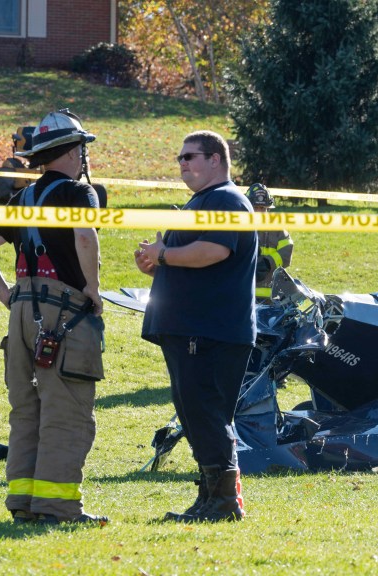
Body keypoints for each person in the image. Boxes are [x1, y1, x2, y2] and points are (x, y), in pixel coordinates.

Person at [0, 109, 107, 526]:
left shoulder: (22, 198)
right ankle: (58, 507)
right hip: (63, 314)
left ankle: (24, 502)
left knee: (27, 410)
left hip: (22, 314)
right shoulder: (80, 193)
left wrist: (9, 297)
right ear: (74, 151)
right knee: (67, 411)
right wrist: (94, 290)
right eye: (82, 148)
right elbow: (85, 237)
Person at [134, 131, 257, 523]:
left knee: (204, 413)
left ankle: (223, 503)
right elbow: (188, 255)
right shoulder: (201, 201)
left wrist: (165, 254)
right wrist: (156, 259)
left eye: (190, 156)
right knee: (196, 414)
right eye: (180, 158)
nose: (183, 163)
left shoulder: (226, 199)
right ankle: (210, 498)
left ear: (216, 159)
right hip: (194, 328)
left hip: (209, 330)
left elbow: (214, 251)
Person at [247, 183, 294, 301]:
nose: (259, 212)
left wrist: (268, 263)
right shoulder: (239, 228)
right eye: (255, 207)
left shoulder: (277, 229)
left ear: (268, 208)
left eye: (262, 208)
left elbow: (286, 253)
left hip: (272, 297)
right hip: (244, 294)